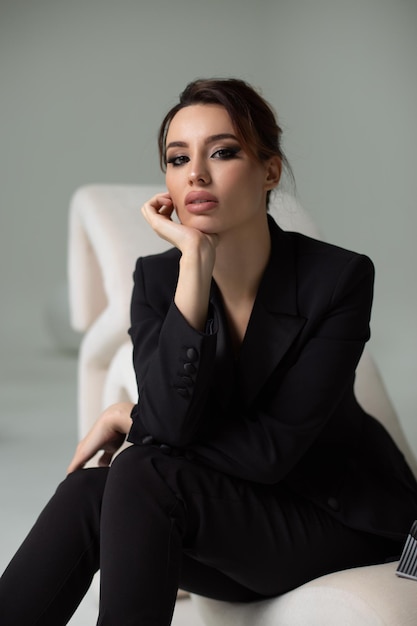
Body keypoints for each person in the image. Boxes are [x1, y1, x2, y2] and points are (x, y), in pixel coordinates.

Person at [1, 78, 416, 625]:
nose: (195, 172)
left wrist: (132, 416)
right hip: (233, 530)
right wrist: (193, 268)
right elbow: (168, 424)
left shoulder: (336, 279)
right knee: (89, 493)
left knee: (145, 472)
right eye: (178, 158)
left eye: (222, 152)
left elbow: (272, 452)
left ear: (269, 171)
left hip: (338, 524)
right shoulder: (156, 281)